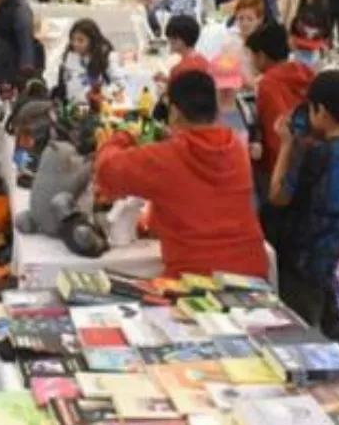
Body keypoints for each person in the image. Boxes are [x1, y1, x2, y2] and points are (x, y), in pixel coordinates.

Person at [97, 70, 268, 279]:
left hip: (195, 280)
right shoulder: (235, 148)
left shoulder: (166, 157)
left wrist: (124, 134)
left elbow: (106, 169)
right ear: (215, 110)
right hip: (251, 273)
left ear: (175, 112)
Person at [268, 70, 339, 359]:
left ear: (322, 110)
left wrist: (287, 145)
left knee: (298, 334)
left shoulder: (312, 152)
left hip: (305, 260)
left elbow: (278, 195)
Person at [245, 22, 314, 202]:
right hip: (311, 162)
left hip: (281, 170)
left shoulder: (268, 84)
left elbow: (275, 134)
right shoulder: (305, 71)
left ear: (261, 56)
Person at [52, 18, 122, 106]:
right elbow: (63, 85)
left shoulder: (106, 56)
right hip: (73, 108)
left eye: (81, 40)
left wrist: (104, 94)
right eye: (73, 39)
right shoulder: (69, 57)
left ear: (92, 41)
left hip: (100, 108)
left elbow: (119, 84)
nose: (75, 44)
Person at [289, 0, 330, 66]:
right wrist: (300, 29)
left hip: (315, 43)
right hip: (301, 43)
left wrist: (316, 32)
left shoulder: (321, 6)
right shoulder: (301, 5)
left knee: (312, 68)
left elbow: (326, 25)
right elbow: (296, 22)